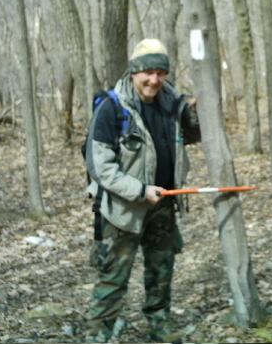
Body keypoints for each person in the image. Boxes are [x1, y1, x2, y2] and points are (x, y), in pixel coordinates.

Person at [84, 39, 201, 343]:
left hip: (164, 204)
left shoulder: (173, 102)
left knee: (161, 273)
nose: (154, 80)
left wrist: (194, 114)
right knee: (113, 278)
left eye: (161, 72)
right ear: (134, 72)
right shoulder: (112, 107)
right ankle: (99, 334)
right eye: (148, 72)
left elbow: (193, 136)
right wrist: (139, 190)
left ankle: (158, 326)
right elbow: (100, 167)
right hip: (122, 209)